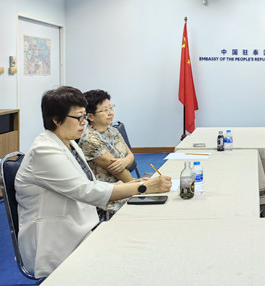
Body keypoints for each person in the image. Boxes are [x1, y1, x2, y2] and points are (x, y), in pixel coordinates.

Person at [15, 86, 172, 278]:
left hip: (82, 221)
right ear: (56, 120)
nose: (84, 122)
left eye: (84, 116)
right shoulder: (44, 151)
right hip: (57, 238)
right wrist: (141, 187)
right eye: (78, 118)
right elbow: (87, 191)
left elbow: (91, 183)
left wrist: (133, 184)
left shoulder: (69, 142)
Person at [79, 89, 135, 220]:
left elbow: (131, 156)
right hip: (108, 195)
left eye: (111, 108)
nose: (110, 113)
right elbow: (118, 170)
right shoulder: (90, 140)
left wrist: (125, 161)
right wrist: (140, 188)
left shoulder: (113, 130)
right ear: (90, 116)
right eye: (105, 110)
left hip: (124, 185)